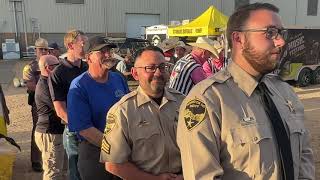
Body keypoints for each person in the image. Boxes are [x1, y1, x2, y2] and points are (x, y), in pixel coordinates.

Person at [177, 3, 315, 180]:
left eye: (282, 33)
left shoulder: (285, 92)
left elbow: (304, 155)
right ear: (238, 39)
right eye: (270, 32)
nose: (281, 42)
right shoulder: (208, 100)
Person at [101, 46, 185, 180]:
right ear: (135, 73)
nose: (158, 73)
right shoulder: (122, 112)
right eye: (150, 68)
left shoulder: (183, 102)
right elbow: (113, 164)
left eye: (162, 67)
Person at [67, 36, 129, 180]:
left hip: (123, 149)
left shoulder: (118, 79)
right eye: (102, 51)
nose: (108, 54)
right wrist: (115, 147)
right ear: (88, 58)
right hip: (94, 152)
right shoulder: (79, 86)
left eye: (109, 50)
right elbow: (85, 129)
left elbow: (129, 110)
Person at [48, 29, 88, 180]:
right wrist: (81, 128)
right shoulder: (58, 73)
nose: (86, 47)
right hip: (74, 132)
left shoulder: (87, 68)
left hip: (92, 127)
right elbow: (60, 110)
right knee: (76, 172)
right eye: (83, 43)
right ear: (71, 45)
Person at [34, 55, 64, 180]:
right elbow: (59, 109)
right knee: (53, 172)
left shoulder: (49, 82)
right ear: (49, 68)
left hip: (53, 132)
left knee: (59, 170)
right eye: (58, 66)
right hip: (50, 134)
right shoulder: (45, 87)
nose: (61, 69)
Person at [23, 37, 49, 172]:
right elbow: (32, 86)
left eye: (46, 49)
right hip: (37, 104)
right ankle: (36, 160)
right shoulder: (29, 68)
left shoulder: (52, 64)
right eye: (41, 49)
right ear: (35, 50)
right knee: (38, 130)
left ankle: (47, 158)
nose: (44, 51)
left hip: (52, 103)